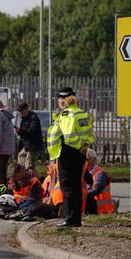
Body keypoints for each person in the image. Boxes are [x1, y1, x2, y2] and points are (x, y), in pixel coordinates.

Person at [47, 86, 94, 228]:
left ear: (62, 100)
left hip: (68, 152)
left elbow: (69, 136)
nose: (59, 101)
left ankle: (70, 218)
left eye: (60, 99)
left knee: (67, 187)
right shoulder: (81, 113)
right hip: (80, 153)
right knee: (76, 186)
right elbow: (89, 133)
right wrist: (84, 146)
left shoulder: (67, 114)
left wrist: (79, 146)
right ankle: (76, 218)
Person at [14, 102, 44, 178]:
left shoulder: (33, 117)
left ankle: (38, 181)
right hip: (26, 145)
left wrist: (20, 131)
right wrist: (19, 131)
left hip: (34, 146)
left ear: (27, 109)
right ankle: (39, 179)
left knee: (29, 166)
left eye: (22, 111)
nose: (21, 113)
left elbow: (32, 131)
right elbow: (24, 133)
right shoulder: (23, 119)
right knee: (21, 159)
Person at [85, 148, 116, 214]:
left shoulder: (100, 174)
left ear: (94, 160)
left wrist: (83, 194)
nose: (86, 162)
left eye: (88, 159)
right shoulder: (86, 173)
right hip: (94, 206)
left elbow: (96, 190)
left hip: (100, 208)